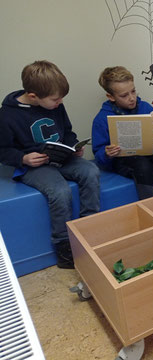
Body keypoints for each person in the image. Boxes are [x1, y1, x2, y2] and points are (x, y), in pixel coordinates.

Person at [0, 60, 100, 269]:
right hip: (32, 166)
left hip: (61, 157)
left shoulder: (56, 105)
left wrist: (73, 145)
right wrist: (23, 159)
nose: (60, 102)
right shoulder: (7, 116)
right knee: (60, 191)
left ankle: (89, 226)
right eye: (55, 99)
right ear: (34, 96)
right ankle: (63, 245)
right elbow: (3, 150)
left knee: (90, 170)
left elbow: (67, 131)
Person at [92, 66, 153, 199]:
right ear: (110, 96)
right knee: (143, 167)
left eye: (133, 91)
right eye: (124, 95)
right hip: (124, 160)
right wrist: (107, 153)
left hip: (150, 152)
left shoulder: (145, 107)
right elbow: (99, 154)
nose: (132, 98)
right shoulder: (102, 119)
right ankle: (151, 206)